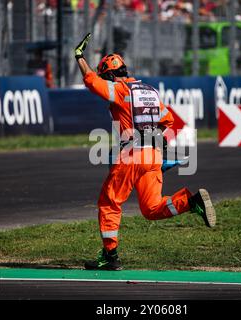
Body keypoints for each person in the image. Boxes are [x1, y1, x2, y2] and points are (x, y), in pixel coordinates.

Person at [74, 33, 216, 270]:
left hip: (131, 155)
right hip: (153, 155)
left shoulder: (119, 89)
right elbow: (168, 120)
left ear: (110, 75)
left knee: (109, 203)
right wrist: (158, 142)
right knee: (151, 209)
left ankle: (110, 257)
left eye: (106, 77)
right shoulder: (150, 91)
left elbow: (90, 81)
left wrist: (79, 57)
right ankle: (191, 202)